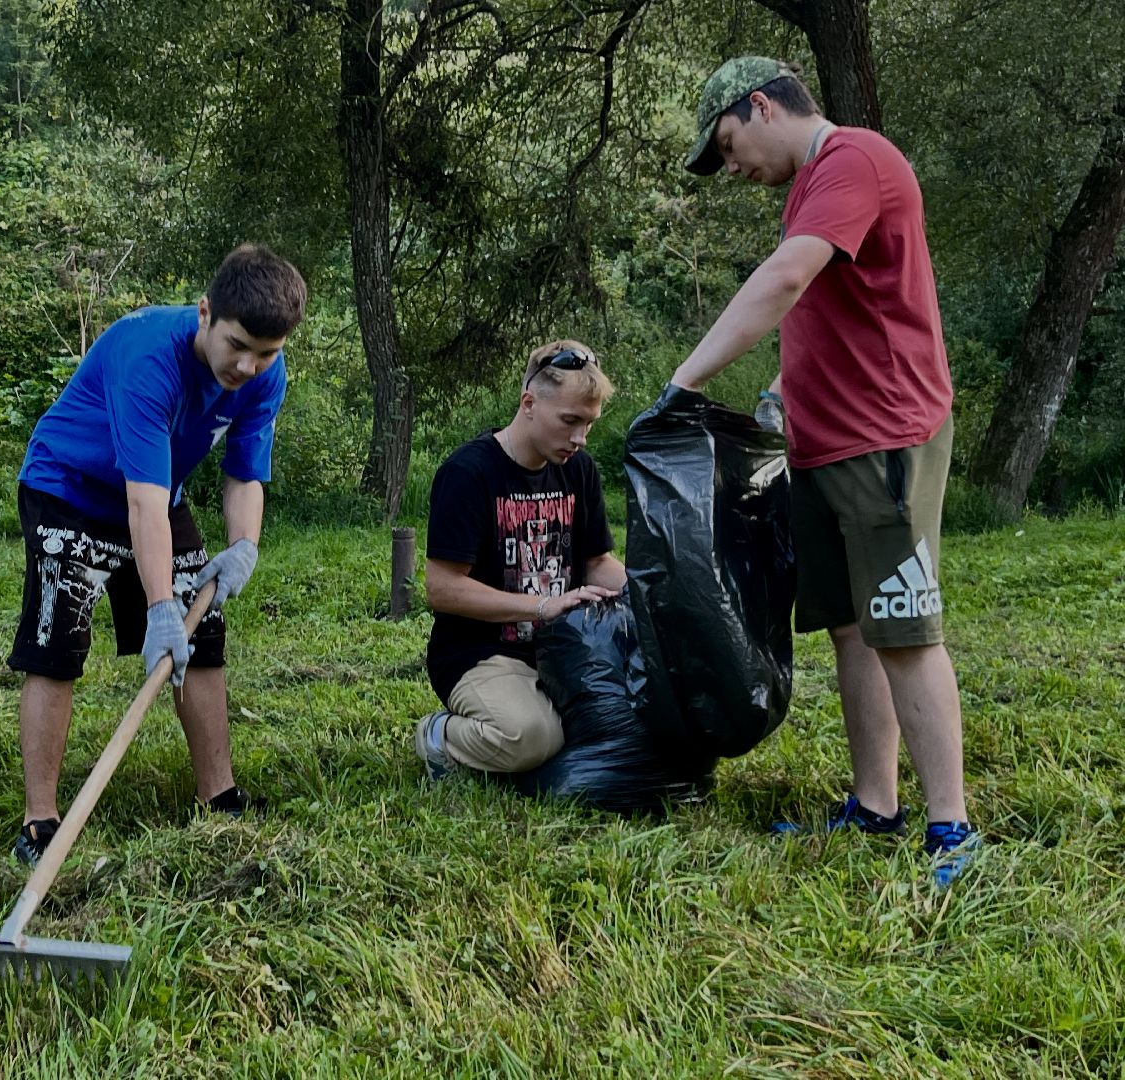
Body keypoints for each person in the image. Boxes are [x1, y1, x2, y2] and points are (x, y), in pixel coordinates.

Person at [673, 57, 977, 886]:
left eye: (728, 145)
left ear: (762, 106)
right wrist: (781, 387)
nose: (731, 168)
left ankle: (952, 828)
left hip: (885, 438)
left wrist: (685, 380)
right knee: (849, 627)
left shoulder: (855, 160)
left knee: (905, 631)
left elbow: (786, 280)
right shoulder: (809, 189)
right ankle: (876, 805)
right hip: (824, 443)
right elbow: (830, 308)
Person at [6, 244, 306, 865]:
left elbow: (245, 473)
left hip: (155, 490)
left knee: (207, 635)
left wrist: (243, 545)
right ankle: (40, 822)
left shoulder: (263, 375)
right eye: (238, 345)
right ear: (204, 314)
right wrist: (160, 606)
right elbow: (140, 502)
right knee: (58, 642)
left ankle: (218, 796)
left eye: (267, 353)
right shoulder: (149, 356)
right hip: (71, 489)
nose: (249, 366)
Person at [416, 341, 627, 779]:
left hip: (564, 649)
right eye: (569, 421)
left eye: (588, 424)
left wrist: (655, 592)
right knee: (532, 738)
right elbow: (442, 589)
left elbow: (597, 562)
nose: (579, 439)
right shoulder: (468, 473)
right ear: (528, 402)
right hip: (480, 653)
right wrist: (542, 606)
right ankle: (439, 736)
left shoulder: (579, 469)